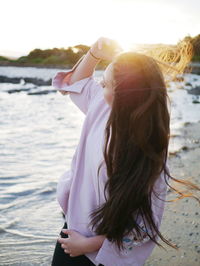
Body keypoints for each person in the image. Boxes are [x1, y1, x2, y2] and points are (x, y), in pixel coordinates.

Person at [51, 37, 200, 266]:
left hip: (105, 251)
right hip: (73, 228)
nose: (99, 87)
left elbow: (142, 227)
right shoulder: (102, 107)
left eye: (106, 83)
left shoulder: (146, 152)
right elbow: (78, 82)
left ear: (125, 93)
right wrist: (94, 53)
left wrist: (89, 245)